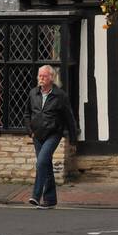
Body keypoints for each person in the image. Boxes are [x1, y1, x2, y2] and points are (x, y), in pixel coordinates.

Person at [25, 65, 79, 209]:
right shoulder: (33, 93)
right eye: (39, 76)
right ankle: (50, 200)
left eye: (44, 76)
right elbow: (27, 114)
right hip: (37, 135)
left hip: (53, 134)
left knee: (41, 162)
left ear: (51, 78)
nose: (41, 78)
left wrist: (73, 139)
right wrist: (30, 131)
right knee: (46, 165)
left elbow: (69, 117)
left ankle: (36, 196)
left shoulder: (60, 95)